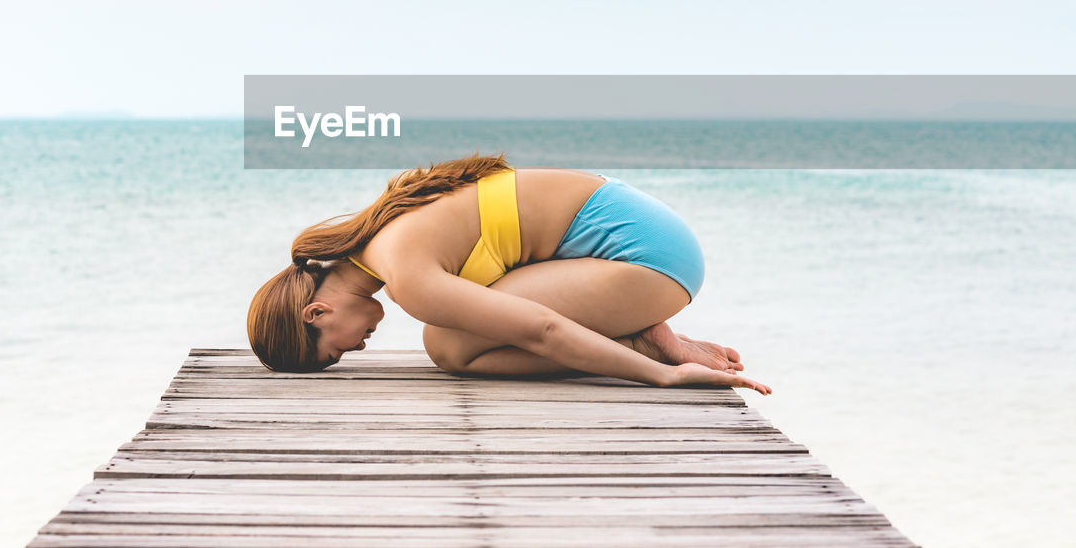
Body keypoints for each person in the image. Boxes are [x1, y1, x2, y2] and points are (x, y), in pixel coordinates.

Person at [247, 153, 771, 394]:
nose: (356, 351)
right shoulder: (381, 235)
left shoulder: (407, 276)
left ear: (316, 311)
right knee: (451, 337)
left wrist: (666, 377)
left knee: (449, 346)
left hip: (648, 260)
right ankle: (642, 334)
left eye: (335, 351)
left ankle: (646, 350)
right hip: (647, 234)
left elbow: (541, 329)